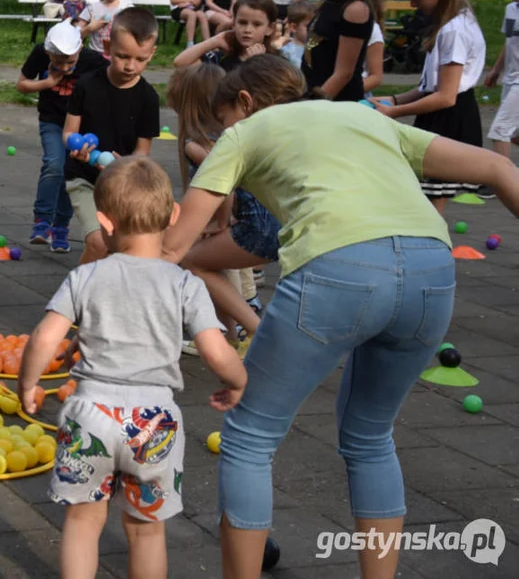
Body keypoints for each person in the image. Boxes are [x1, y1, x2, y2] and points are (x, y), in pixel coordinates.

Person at [159, 53, 519, 578]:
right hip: (431, 274)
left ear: (245, 102)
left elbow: (175, 248)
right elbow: (498, 166)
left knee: (250, 438)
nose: (222, 136)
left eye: (224, 123)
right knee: (371, 438)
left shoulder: (245, 131)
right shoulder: (364, 115)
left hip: (337, 271)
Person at [17, 155, 246, 579]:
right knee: (146, 533)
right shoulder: (184, 284)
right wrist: (237, 381)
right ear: (174, 215)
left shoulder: (85, 277)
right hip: (153, 423)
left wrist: (29, 383)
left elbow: (44, 337)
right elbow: (216, 351)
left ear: (104, 223)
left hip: (90, 417)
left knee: (84, 524)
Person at [167, 63, 279, 357]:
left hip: (256, 227)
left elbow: (224, 187)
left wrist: (219, 223)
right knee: (209, 264)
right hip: (265, 221)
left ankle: (255, 328)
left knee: (193, 262)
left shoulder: (197, 146)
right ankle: (228, 334)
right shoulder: (235, 135)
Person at [371, 0, 486, 214]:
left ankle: (428, 249)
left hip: (448, 117)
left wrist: (395, 112)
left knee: (427, 204)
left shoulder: (455, 31)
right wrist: (394, 99)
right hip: (441, 113)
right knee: (425, 201)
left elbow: (446, 96)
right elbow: (429, 88)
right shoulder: (449, 26)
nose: (413, 4)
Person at [63, 8, 161, 266]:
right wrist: (78, 148)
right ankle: (72, 297)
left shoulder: (149, 98)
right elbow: (68, 133)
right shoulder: (86, 84)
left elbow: (142, 153)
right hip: (83, 177)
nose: (130, 66)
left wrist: (124, 165)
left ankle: (102, 296)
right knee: (98, 242)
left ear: (152, 54)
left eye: (140, 59)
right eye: (122, 56)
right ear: (107, 46)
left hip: (120, 185)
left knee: (119, 248)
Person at [17, 20, 109, 252]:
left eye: (70, 61)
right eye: (58, 62)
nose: (66, 67)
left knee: (70, 172)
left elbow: (111, 78)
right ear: (48, 53)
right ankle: (42, 221)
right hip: (52, 120)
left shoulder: (91, 61)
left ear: (79, 51)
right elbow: (22, 85)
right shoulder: (40, 53)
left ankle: (60, 227)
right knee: (54, 165)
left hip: (79, 126)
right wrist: (47, 82)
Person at [481, 0, 519, 183]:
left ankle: (502, 181)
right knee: (514, 135)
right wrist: (496, 70)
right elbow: (509, 42)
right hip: (511, 79)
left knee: (500, 130)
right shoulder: (510, 9)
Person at [173, 0, 278, 70]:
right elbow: (180, 63)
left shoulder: (276, 62)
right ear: (233, 23)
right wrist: (215, 40)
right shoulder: (223, 58)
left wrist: (256, 63)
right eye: (242, 23)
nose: (247, 30)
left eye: (257, 24)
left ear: (269, 28)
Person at [276, 0, 315, 68]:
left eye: (315, 26)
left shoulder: (316, 47)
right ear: (294, 27)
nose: (313, 30)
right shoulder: (285, 51)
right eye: (308, 26)